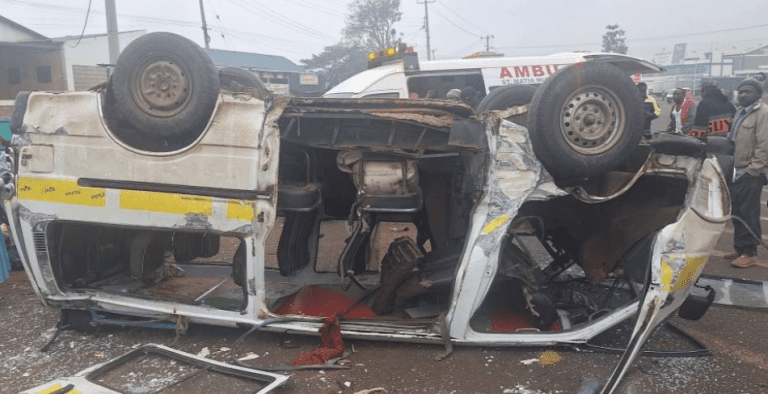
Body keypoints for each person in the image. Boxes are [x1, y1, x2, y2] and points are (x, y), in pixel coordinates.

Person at [728, 78, 768, 268]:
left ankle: (750, 253)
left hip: (751, 172)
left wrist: (753, 170)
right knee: (736, 211)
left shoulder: (763, 113)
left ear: (758, 95)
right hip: (737, 170)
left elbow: (764, 146)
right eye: (740, 91)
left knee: (749, 213)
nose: (742, 95)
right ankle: (740, 249)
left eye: (747, 92)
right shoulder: (740, 113)